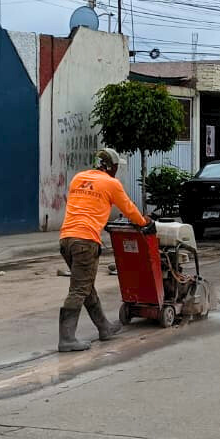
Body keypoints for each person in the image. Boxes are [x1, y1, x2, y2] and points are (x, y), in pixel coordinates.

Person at [58, 146, 151, 352]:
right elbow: (129, 209)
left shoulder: (78, 178)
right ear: (111, 166)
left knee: (86, 286)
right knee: (80, 289)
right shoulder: (111, 183)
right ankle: (66, 339)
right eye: (117, 167)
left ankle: (104, 327)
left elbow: (87, 205)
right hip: (85, 241)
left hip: (66, 239)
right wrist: (144, 223)